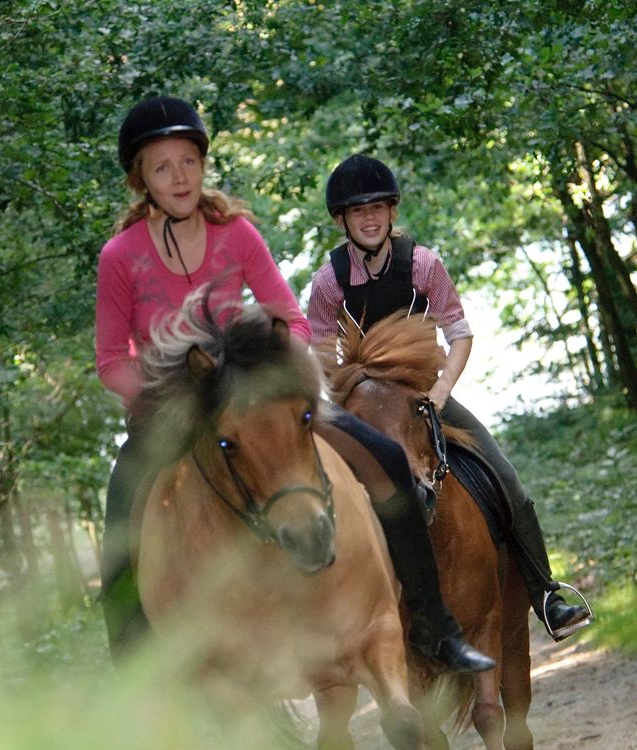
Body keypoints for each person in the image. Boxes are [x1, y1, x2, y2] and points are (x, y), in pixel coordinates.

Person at [95, 96, 495, 673]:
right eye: (162, 167)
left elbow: (295, 318)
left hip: (255, 399)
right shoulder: (119, 256)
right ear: (141, 180)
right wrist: (165, 388)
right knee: (119, 513)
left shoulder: (235, 233)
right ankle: (134, 671)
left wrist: (272, 361)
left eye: (188, 161)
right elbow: (110, 360)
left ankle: (434, 625)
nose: (178, 177)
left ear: (203, 165)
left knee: (383, 453)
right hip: (174, 413)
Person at [305, 153, 594, 642]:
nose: (370, 217)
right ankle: (324, 617)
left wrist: (439, 392)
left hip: (424, 396)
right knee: (311, 492)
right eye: (358, 211)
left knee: (508, 482)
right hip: (361, 407)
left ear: (392, 210)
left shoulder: (423, 264)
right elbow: (318, 354)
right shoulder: (328, 282)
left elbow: (460, 333)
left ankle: (546, 594)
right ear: (342, 221)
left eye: (377, 207)